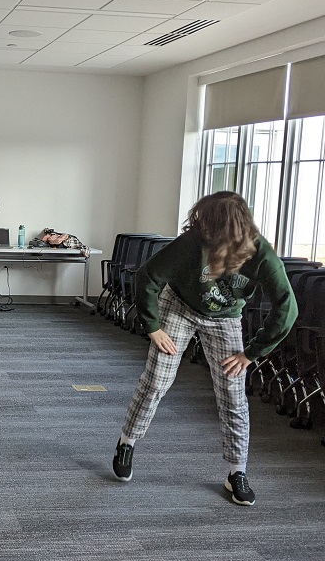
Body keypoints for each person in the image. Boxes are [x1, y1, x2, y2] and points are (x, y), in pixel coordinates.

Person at [112, 191, 297, 506]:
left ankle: (237, 472)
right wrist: (153, 326)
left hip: (225, 318)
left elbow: (287, 307)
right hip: (180, 306)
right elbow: (148, 277)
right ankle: (126, 442)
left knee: (233, 393)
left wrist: (252, 352)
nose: (201, 228)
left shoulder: (261, 255)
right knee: (157, 380)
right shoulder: (192, 242)